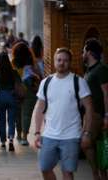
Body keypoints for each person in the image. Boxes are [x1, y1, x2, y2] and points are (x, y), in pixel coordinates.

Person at [32, 47, 93, 180]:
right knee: (45, 168)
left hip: (71, 136)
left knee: (67, 172)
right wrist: (37, 132)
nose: (61, 63)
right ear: (54, 62)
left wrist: (86, 133)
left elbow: (89, 108)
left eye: (65, 60)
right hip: (49, 135)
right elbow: (39, 108)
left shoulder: (79, 82)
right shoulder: (46, 82)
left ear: (70, 62)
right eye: (59, 60)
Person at [82, 38, 108, 180]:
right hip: (89, 114)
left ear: (89, 52)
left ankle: (97, 175)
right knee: (91, 144)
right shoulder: (90, 70)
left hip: (97, 114)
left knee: (86, 143)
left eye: (84, 51)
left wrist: (107, 116)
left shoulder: (101, 69)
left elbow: (106, 94)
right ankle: (99, 174)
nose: (82, 54)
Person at [12, 42, 41, 145]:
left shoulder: (13, 63)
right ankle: (24, 137)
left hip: (17, 90)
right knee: (27, 114)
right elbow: (39, 75)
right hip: (30, 91)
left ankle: (19, 134)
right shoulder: (32, 63)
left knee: (18, 114)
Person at [0, 52, 19, 151]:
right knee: (11, 120)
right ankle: (11, 139)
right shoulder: (14, 72)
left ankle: (3, 142)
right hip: (11, 96)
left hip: (0, 96)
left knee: (1, 121)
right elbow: (18, 84)